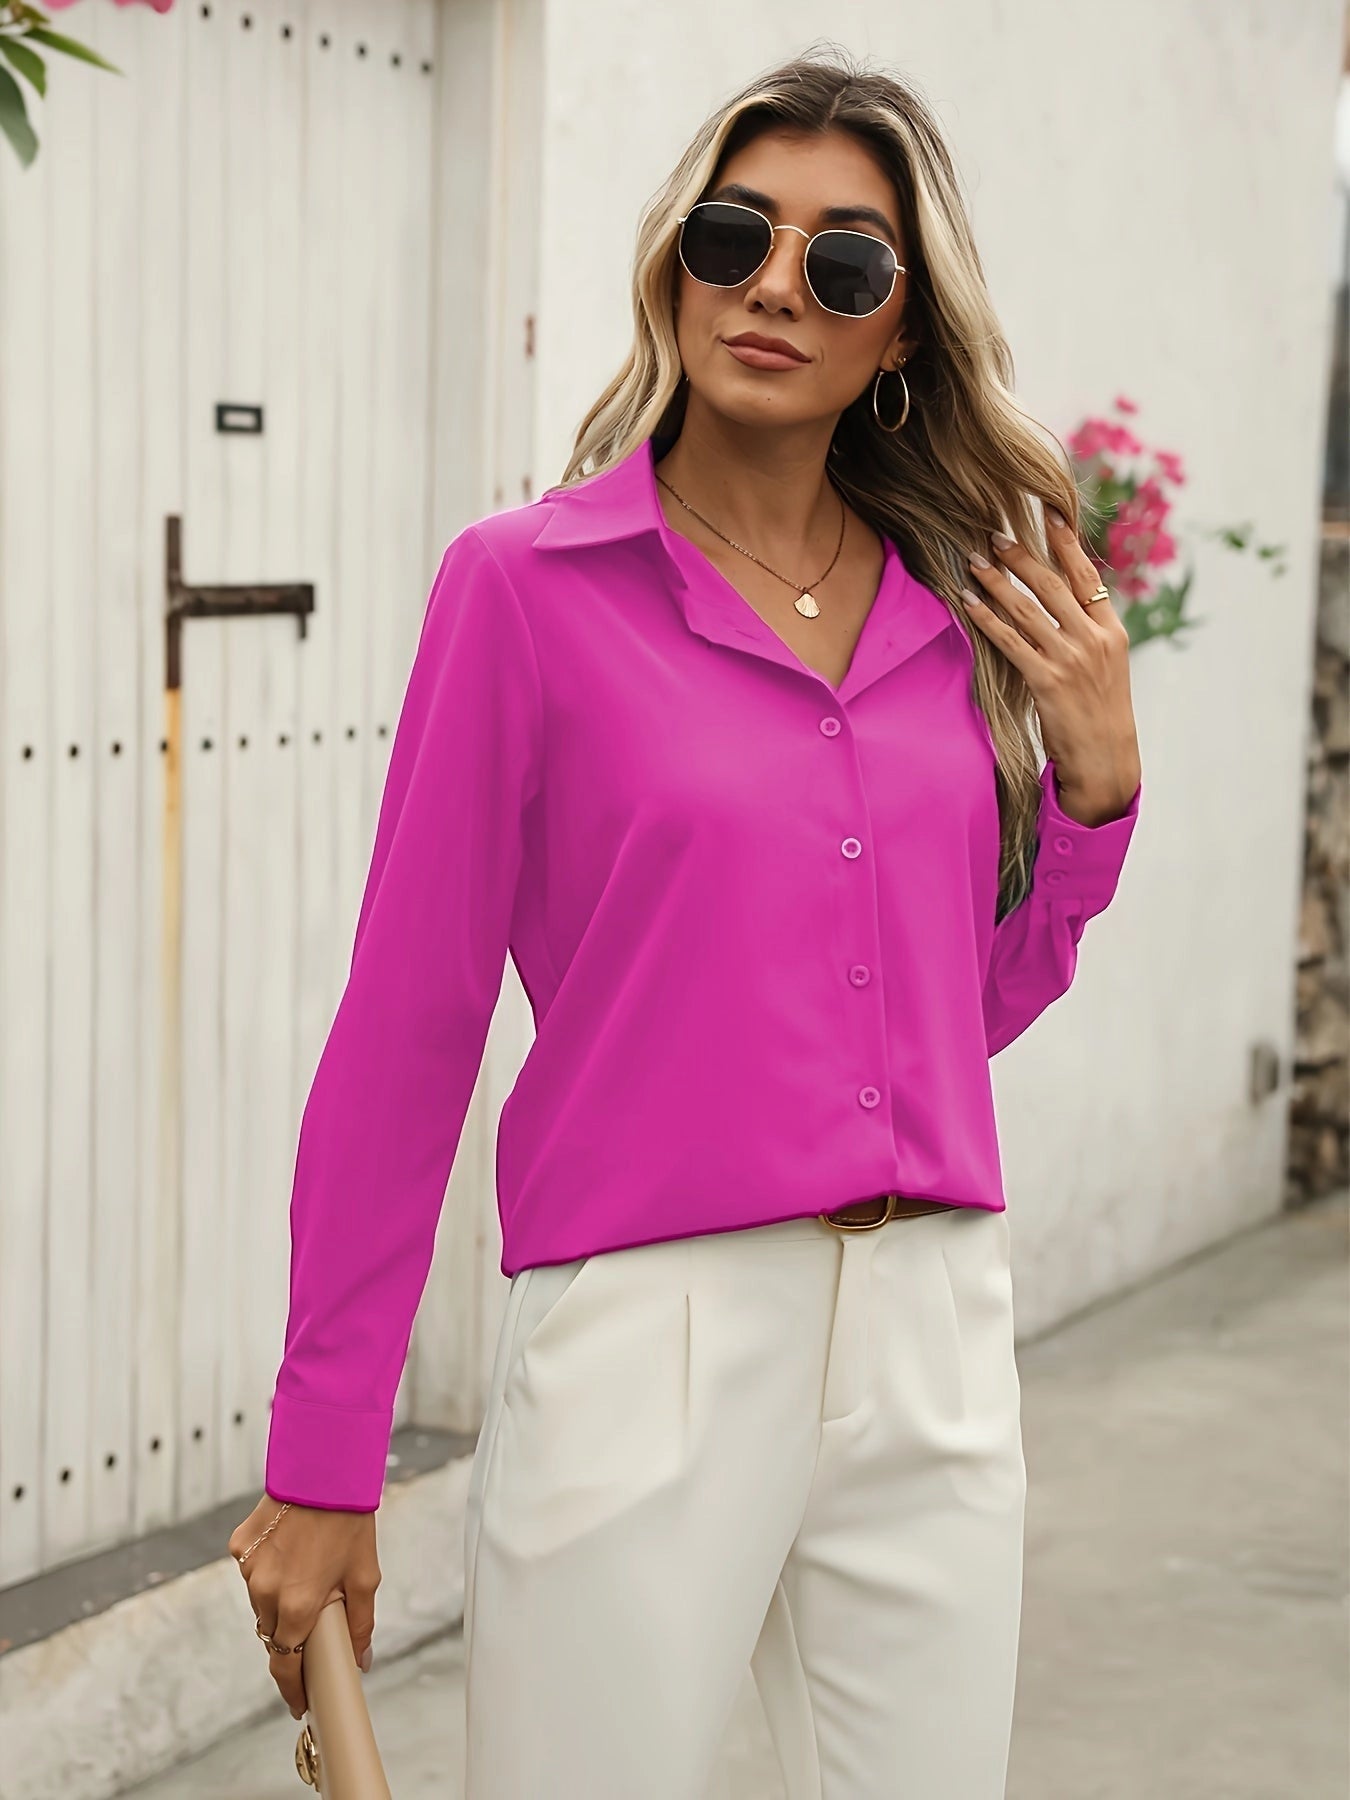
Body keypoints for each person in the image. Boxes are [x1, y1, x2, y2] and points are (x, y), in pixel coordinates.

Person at [229, 47, 1142, 1799]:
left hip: (934, 1329)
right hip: (648, 1327)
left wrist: (1093, 802)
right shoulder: (526, 590)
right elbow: (406, 1031)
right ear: (676, 264)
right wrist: (325, 1448)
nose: (777, 284)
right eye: (737, 233)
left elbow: (953, 1013)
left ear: (904, 335)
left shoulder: (960, 623)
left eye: (845, 262)